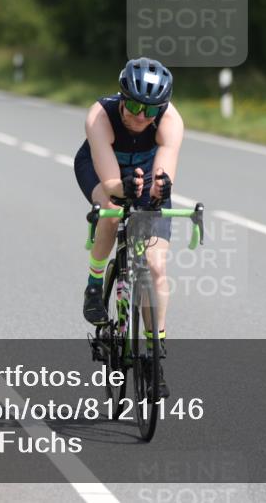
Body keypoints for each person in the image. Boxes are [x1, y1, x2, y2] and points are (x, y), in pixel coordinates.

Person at [74, 57, 183, 397]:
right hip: (102, 170)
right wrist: (123, 190)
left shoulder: (170, 121)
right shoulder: (99, 117)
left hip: (144, 176)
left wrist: (158, 189)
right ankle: (94, 284)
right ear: (122, 98)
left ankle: (155, 353)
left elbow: (163, 177)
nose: (140, 116)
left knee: (156, 267)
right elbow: (109, 183)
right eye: (134, 105)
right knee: (111, 209)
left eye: (150, 110)